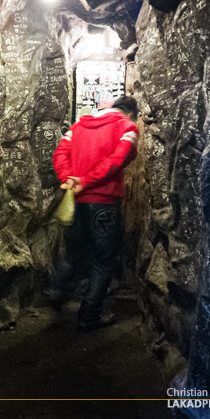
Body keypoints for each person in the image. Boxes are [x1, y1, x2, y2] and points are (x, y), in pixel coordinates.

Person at [48, 95, 139, 330]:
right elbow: (118, 160)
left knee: (74, 254)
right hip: (104, 204)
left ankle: (58, 292)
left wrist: (69, 179)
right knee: (103, 261)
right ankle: (89, 316)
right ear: (130, 113)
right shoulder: (127, 127)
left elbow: (60, 153)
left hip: (75, 202)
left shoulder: (78, 126)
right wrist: (86, 181)